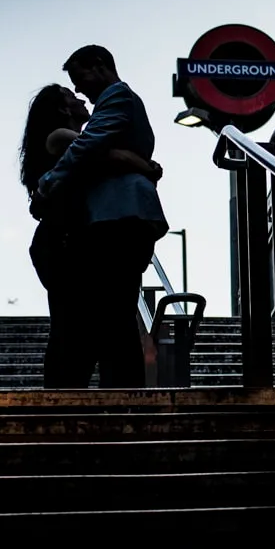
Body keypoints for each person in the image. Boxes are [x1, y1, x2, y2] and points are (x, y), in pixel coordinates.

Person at [29, 45, 170, 388]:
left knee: (106, 317)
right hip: (89, 232)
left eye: (79, 79)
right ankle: (116, 397)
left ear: (99, 66)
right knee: (104, 318)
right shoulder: (66, 134)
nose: (79, 91)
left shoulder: (116, 98)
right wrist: (147, 166)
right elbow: (102, 153)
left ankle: (108, 397)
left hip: (114, 223)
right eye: (72, 88)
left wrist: (46, 184)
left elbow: (90, 146)